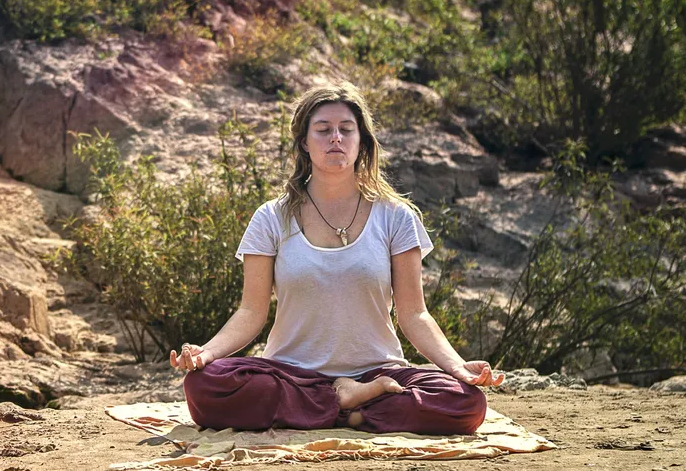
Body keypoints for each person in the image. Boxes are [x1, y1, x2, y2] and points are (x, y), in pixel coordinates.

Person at [170, 82, 503, 435]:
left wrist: (456, 367)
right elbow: (251, 312)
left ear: (362, 142)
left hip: (378, 372)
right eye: (323, 130)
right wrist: (204, 354)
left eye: (346, 130)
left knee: (465, 402)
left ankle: (333, 407)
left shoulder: (396, 217)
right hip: (292, 374)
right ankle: (347, 407)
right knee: (203, 386)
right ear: (304, 142)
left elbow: (414, 313)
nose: (336, 139)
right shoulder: (271, 217)